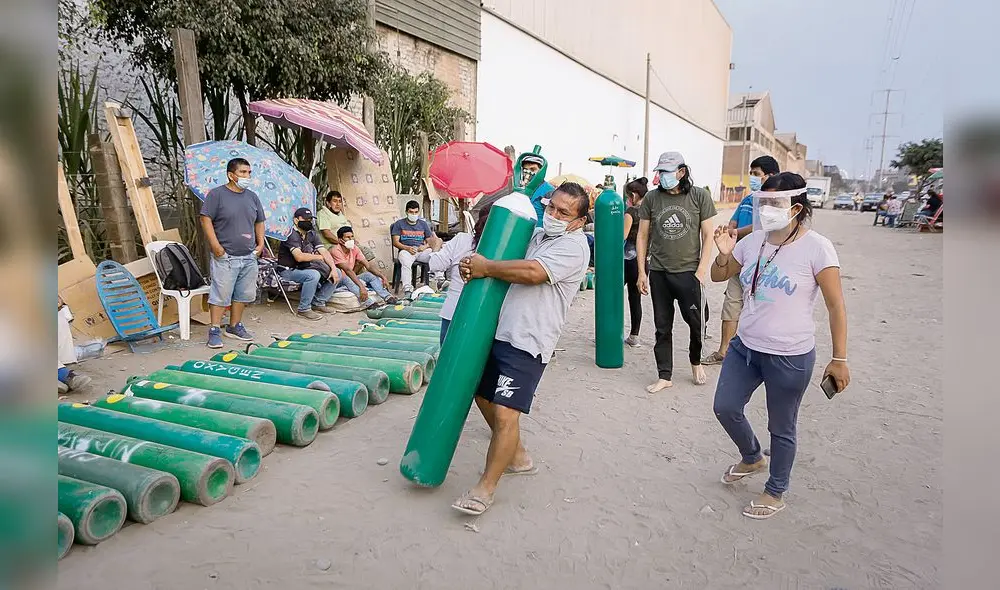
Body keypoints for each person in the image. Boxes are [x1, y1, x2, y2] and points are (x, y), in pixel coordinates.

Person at [709, 172, 850, 520]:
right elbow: (717, 275)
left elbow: (836, 305)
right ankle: (753, 456)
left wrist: (839, 359)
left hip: (790, 354)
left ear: (796, 207)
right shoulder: (752, 241)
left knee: (781, 426)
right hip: (746, 347)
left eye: (775, 203)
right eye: (763, 202)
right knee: (725, 407)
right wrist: (724, 253)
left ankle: (775, 491)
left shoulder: (817, 247)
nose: (766, 209)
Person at [451, 184, 591, 516]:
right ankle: (517, 455)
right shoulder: (538, 234)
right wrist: (471, 263)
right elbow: (503, 256)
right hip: (498, 329)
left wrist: (486, 267)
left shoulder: (575, 245)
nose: (553, 215)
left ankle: (485, 489)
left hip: (529, 339)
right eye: (551, 207)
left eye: (563, 212)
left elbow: (532, 273)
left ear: (579, 220)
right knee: (481, 394)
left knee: (505, 412)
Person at [636, 151, 717, 391]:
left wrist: (702, 270)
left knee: (697, 322)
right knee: (662, 326)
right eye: (660, 172)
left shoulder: (699, 196)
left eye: (667, 172)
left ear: (681, 172)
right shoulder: (652, 198)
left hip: (689, 272)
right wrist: (643, 271)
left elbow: (708, 235)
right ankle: (665, 375)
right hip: (659, 272)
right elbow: (642, 236)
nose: (663, 176)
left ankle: (695, 360)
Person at [703, 155, 780, 365]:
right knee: (731, 304)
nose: (752, 178)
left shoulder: (775, 203)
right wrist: (730, 229)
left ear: (771, 176)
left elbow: (761, 226)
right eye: (752, 174)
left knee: (759, 307)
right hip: (739, 259)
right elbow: (734, 219)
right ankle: (723, 351)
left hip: (762, 264)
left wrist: (735, 231)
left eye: (756, 174)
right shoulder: (748, 199)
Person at [200, 157, 266, 348]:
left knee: (243, 294)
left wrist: (260, 244)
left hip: (249, 255)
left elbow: (259, 221)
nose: (247, 176)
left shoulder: (252, 196)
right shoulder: (217, 195)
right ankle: (214, 329)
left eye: (249, 172)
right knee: (221, 293)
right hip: (226, 256)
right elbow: (206, 219)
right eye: (243, 172)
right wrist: (215, 245)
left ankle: (234, 326)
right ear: (231, 175)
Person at [427, 205, 493, 344]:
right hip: (487, 316)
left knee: (448, 359)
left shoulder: (462, 240)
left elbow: (435, 264)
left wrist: (436, 246)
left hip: (454, 312)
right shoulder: (505, 247)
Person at [277, 207, 342, 320]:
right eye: (306, 219)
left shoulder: (311, 234)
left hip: (304, 267)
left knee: (337, 272)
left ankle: (318, 302)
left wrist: (332, 268)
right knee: (313, 275)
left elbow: (324, 252)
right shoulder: (290, 235)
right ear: (296, 220)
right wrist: (319, 257)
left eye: (310, 219)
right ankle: (304, 309)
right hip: (288, 270)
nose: (309, 222)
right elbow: (299, 257)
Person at [331, 226, 397, 308]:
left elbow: (368, 266)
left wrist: (383, 277)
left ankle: (387, 297)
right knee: (347, 278)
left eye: (352, 236)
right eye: (347, 237)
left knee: (369, 275)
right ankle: (369, 303)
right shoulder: (335, 250)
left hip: (350, 277)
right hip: (338, 281)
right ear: (340, 240)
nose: (351, 239)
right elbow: (347, 270)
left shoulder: (354, 248)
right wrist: (361, 287)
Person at [622, 177, 648, 346]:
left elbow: (622, 236)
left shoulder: (630, 213)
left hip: (628, 259)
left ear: (633, 195)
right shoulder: (650, 213)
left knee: (614, 296)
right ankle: (634, 336)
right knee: (635, 298)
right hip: (644, 261)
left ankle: (609, 332)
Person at [391, 200, 436, 297]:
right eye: (411, 212)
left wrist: (424, 247)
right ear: (406, 212)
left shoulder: (423, 224)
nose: (413, 214)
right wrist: (407, 248)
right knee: (404, 259)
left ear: (419, 212)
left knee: (434, 254)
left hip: (421, 251)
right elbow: (395, 242)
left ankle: (439, 279)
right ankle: (407, 288)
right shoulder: (399, 224)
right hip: (407, 251)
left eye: (416, 212)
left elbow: (430, 241)